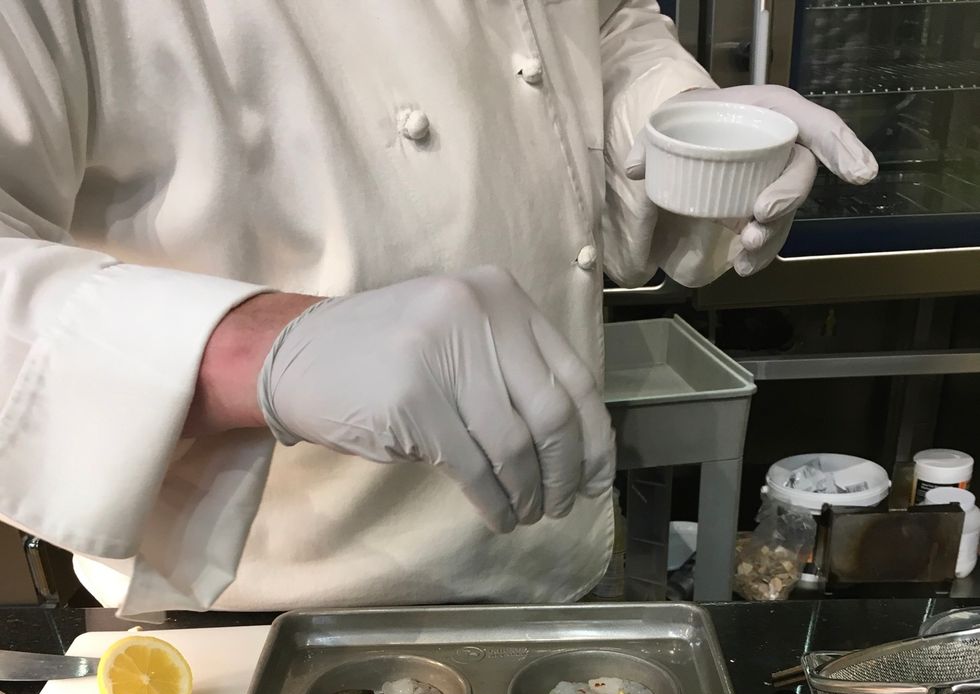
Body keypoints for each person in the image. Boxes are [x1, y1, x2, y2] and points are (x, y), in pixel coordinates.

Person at [0, 2, 876, 616]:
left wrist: (673, 113)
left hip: (552, 564)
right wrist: (260, 349)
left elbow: (597, 26)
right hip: (248, 599)